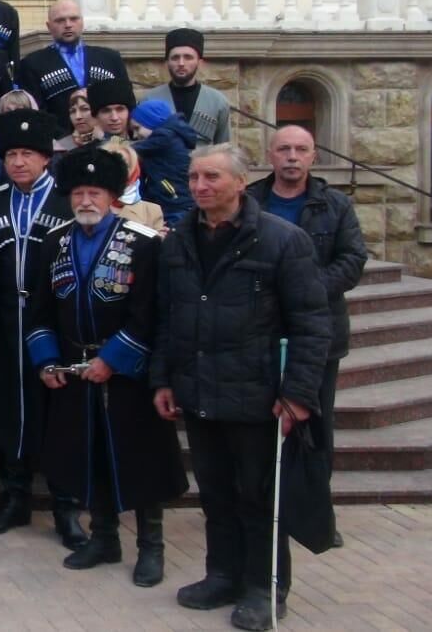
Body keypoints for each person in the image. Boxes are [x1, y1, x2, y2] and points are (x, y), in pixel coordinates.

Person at [152, 143, 332, 631]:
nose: (199, 187)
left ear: (239, 181)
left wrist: (297, 394)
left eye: (211, 177)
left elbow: (313, 324)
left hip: (257, 396)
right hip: (199, 389)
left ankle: (264, 586)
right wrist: (163, 379)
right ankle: (223, 574)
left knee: (257, 498)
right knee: (215, 494)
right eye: (192, 178)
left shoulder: (282, 241)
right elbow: (167, 318)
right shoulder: (178, 241)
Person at [24, 144, 187, 586]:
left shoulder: (142, 243)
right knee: (89, 456)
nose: (86, 202)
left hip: (127, 375)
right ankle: (104, 537)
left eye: (95, 192)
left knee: (141, 461)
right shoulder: (55, 242)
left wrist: (112, 359)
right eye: (78, 193)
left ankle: (150, 547)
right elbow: (39, 311)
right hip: (74, 370)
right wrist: (47, 361)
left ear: (113, 195)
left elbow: (151, 313)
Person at [0, 110, 88, 549]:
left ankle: (65, 506)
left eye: (28, 154)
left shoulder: (68, 202)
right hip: (2, 323)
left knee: (57, 414)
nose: (19, 162)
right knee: (8, 411)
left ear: (45, 158)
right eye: (12, 154)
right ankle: (14, 497)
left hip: (55, 325)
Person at [248, 124, 367, 550]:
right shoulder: (251, 201)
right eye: (284, 149)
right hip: (259, 332)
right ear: (271, 155)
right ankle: (263, 509)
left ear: (314, 156)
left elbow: (352, 260)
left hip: (318, 335)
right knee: (259, 426)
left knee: (315, 428)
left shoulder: (335, 205)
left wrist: (305, 289)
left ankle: (317, 514)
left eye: (301, 149)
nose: (292, 157)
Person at [15, 0, 130, 131]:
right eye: (60, 20)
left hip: (110, 140)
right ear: (49, 26)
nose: (68, 25)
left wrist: (119, 142)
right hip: (62, 145)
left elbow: (128, 103)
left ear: (82, 22)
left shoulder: (110, 58)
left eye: (74, 19)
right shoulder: (32, 64)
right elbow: (35, 112)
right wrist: (65, 141)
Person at [142, 28, 231, 146]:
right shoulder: (150, 100)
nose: (181, 63)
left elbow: (223, 148)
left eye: (188, 57)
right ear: (167, 62)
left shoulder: (217, 102)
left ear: (200, 62)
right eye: (175, 57)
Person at [129, 99, 197, 226]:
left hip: (175, 203)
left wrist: (108, 141)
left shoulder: (163, 138)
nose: (135, 135)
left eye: (137, 128)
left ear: (151, 122)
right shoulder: (169, 137)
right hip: (174, 201)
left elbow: (128, 151)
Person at [100, 137, 167, 234]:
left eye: (124, 165)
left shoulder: (151, 211)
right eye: (110, 164)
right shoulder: (84, 203)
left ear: (134, 170)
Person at [55, 87, 98, 153]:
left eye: (85, 109)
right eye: (73, 111)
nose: (78, 117)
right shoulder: (61, 147)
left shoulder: (115, 141)